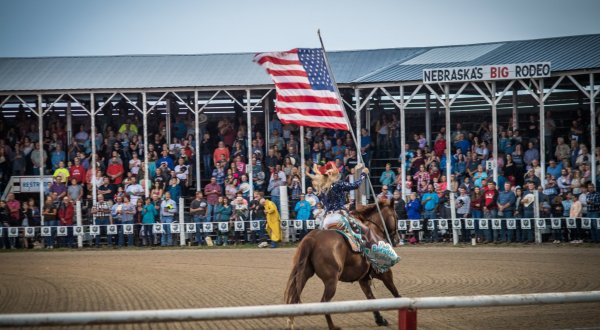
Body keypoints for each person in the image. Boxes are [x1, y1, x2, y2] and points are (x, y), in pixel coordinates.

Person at [307, 161, 399, 273]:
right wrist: (363, 174)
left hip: (326, 220)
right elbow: (355, 185)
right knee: (365, 231)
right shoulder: (338, 185)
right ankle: (380, 258)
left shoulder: (322, 189)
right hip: (339, 217)